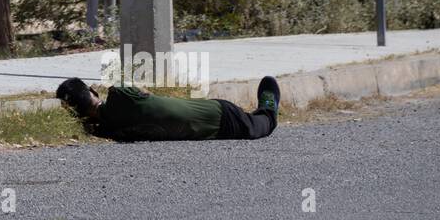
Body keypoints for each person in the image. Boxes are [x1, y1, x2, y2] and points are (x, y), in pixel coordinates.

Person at [56, 75, 280, 141]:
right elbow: (147, 93)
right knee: (263, 125)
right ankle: (268, 106)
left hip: (217, 121)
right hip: (219, 113)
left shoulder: (105, 130)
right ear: (93, 93)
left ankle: (267, 105)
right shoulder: (119, 92)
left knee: (255, 127)